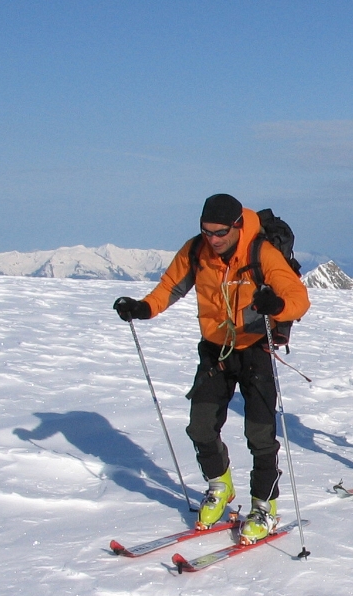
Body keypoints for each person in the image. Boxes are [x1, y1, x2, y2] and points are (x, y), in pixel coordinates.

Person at [112, 194, 310, 544]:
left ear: (236, 226)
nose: (212, 239)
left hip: (256, 350)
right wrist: (144, 308)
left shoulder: (260, 252)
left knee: (260, 435)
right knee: (200, 426)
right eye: (206, 231)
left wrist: (276, 305)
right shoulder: (196, 250)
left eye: (219, 232)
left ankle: (265, 506)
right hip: (216, 350)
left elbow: (298, 299)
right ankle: (221, 486)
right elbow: (170, 287)